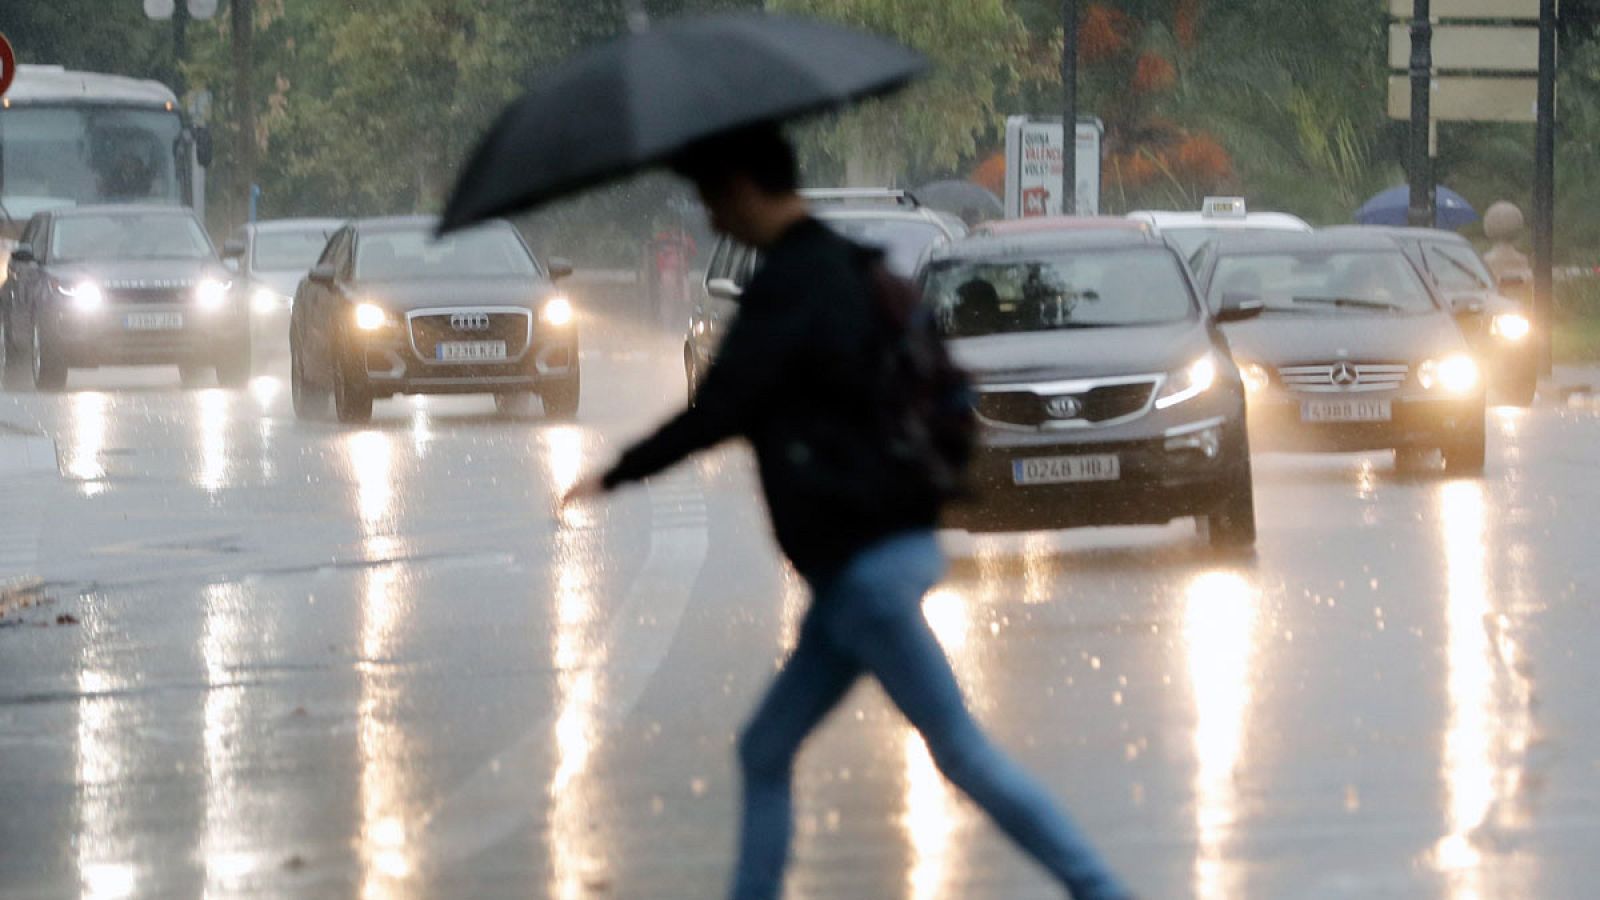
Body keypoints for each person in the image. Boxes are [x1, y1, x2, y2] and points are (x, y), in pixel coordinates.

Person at [560, 124, 1130, 900]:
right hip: (875, 553)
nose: (711, 218)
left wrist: (617, 473)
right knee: (766, 749)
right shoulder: (854, 268)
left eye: (713, 199)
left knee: (960, 751)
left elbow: (719, 408)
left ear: (745, 190)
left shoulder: (791, 288)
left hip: (866, 569)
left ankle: (1102, 890)